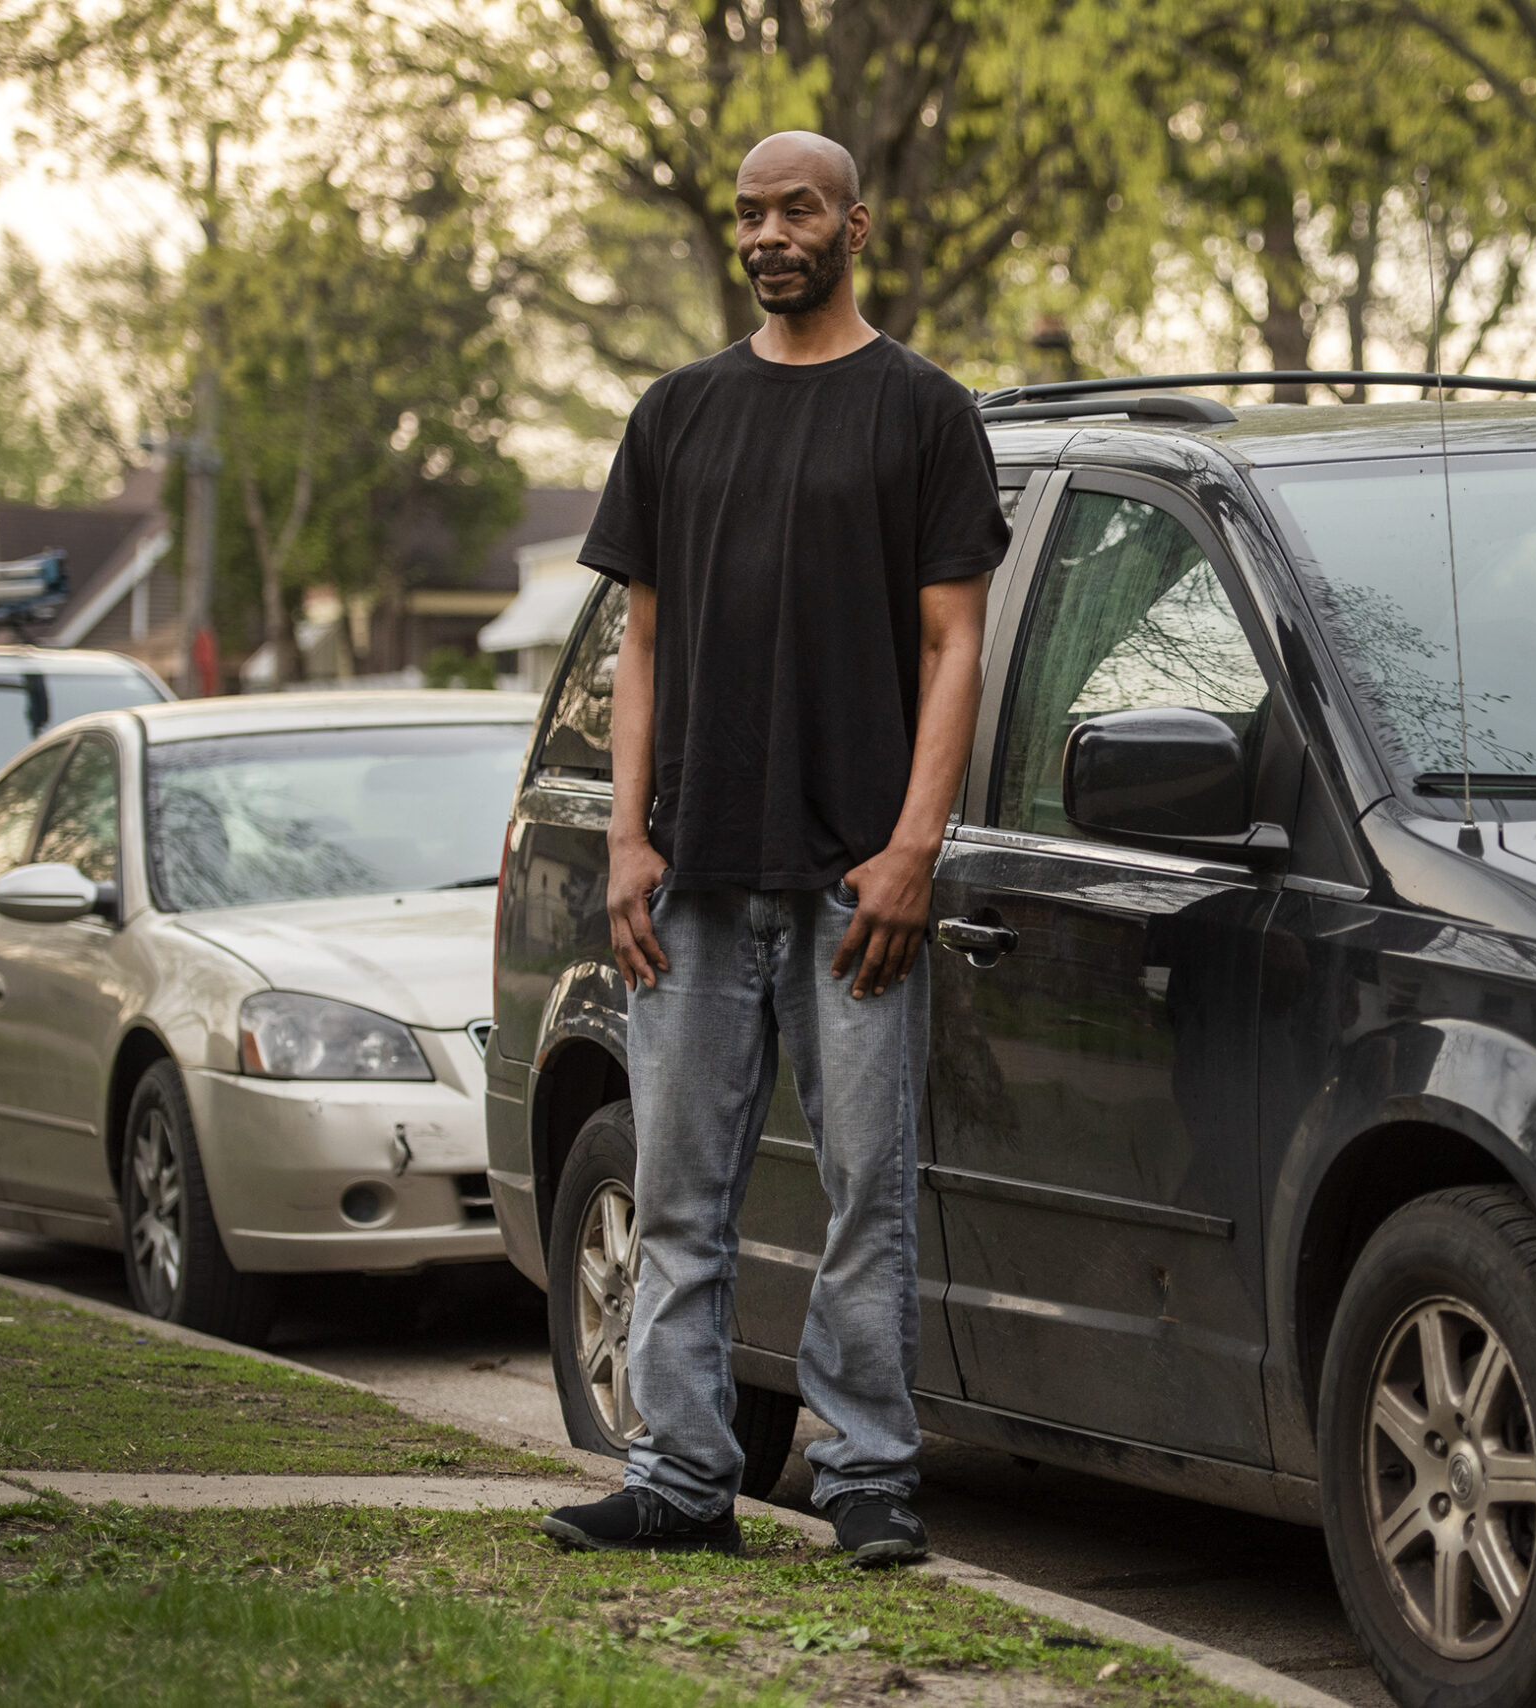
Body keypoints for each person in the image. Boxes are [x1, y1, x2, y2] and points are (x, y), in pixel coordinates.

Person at [539, 129, 1010, 1564]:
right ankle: (682, 1477)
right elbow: (644, 646)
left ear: (855, 225)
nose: (768, 232)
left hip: (856, 885)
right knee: (682, 1192)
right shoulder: (676, 414)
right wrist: (626, 837)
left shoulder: (924, 411)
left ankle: (865, 1475)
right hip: (691, 879)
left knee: (869, 1184)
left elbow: (954, 646)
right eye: (748, 213)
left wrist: (914, 847)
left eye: (795, 207)